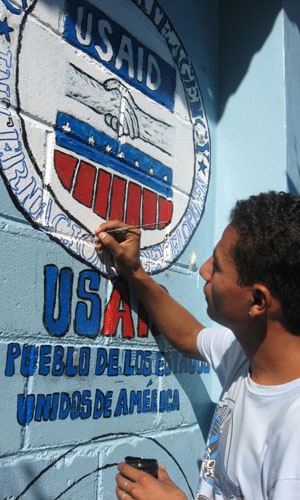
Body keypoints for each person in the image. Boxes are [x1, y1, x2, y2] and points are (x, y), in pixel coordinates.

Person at [94, 191, 300, 500]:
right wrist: (133, 270)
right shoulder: (246, 355)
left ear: (258, 301)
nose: (203, 270)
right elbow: (189, 336)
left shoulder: (293, 433)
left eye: (216, 267)